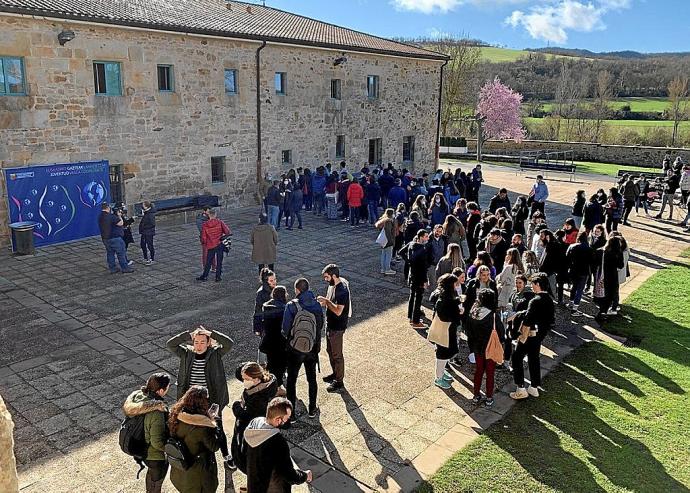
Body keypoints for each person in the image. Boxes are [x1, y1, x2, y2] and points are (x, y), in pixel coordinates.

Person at [166, 326, 234, 469]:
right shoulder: (186, 353)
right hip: (190, 398)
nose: (199, 345)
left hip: (210, 399)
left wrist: (212, 333)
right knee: (186, 424)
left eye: (202, 342)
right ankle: (185, 452)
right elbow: (170, 344)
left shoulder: (215, 353)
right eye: (196, 342)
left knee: (217, 426)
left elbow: (229, 343)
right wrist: (187, 335)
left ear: (208, 342)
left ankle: (226, 455)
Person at [243, 397, 311, 492]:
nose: (287, 422)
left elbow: (243, 456)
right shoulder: (277, 442)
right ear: (278, 419)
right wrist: (304, 476)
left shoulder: (253, 426)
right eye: (286, 419)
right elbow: (289, 475)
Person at [282, 278, 324, 419]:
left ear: (297, 290)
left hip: (295, 350)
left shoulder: (292, 306)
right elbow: (320, 325)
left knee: (292, 380)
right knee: (311, 378)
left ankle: (291, 414)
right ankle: (312, 409)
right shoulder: (317, 305)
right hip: (312, 348)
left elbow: (285, 328)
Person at [122, 373, 171, 493]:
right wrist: (171, 450)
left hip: (138, 445)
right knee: (156, 479)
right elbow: (157, 442)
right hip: (153, 455)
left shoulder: (138, 395)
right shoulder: (157, 412)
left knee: (151, 475)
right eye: (168, 387)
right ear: (160, 391)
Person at [168, 386, 223, 493]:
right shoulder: (202, 427)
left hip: (181, 471)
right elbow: (214, 446)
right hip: (199, 474)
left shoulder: (176, 415)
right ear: (201, 403)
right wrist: (215, 423)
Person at [509, 273, 554, 400]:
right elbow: (550, 321)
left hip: (529, 335)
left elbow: (527, 320)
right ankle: (534, 387)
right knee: (534, 359)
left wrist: (520, 335)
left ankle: (521, 388)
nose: (531, 287)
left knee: (517, 358)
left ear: (538, 284)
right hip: (539, 336)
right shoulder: (549, 300)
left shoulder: (535, 301)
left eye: (533, 284)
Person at [230, 362, 278, 474]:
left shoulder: (258, 400)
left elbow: (244, 416)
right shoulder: (267, 382)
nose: (244, 382)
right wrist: (247, 367)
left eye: (246, 379)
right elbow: (239, 372)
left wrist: (236, 406)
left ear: (256, 379)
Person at [467, 288, 505, 407]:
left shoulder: (473, 312)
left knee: (478, 371)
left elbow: (469, 332)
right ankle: (489, 397)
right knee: (490, 373)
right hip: (490, 348)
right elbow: (501, 333)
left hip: (477, 347)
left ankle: (476, 395)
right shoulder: (493, 316)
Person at [317, 264, 351, 393]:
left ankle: (339, 381)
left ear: (334, 276)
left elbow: (338, 311)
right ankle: (335, 374)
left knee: (337, 354)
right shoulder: (333, 286)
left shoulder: (342, 290)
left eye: (327, 277)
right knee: (330, 351)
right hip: (331, 324)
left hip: (337, 327)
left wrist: (326, 302)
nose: (325, 279)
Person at [430, 274, 463, 389]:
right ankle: (438, 377)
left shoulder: (447, 296)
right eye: (455, 283)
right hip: (445, 331)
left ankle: (442, 373)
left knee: (445, 353)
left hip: (448, 330)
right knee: (442, 354)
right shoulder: (444, 299)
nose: (457, 285)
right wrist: (458, 313)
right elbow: (445, 317)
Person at [503, 274, 534, 369]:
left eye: (520, 283)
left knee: (524, 341)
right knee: (508, 339)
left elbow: (531, 309)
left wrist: (521, 313)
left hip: (524, 323)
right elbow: (509, 305)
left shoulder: (529, 294)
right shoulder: (513, 294)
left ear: (525, 283)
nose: (518, 285)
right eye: (516, 283)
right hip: (513, 321)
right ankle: (506, 361)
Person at [261, 285, 288, 387]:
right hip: (281, 342)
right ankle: (278, 385)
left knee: (271, 363)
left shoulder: (265, 306)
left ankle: (271, 384)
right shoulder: (285, 308)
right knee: (281, 365)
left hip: (269, 340)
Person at [402, 229, 430, 329]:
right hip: (419, 277)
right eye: (426, 236)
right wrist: (425, 281)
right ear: (421, 237)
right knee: (418, 299)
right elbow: (423, 267)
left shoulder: (411, 244)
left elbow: (401, 252)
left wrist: (408, 261)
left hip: (412, 275)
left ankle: (411, 317)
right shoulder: (422, 249)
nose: (427, 238)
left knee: (412, 296)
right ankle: (416, 321)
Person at [592, 235, 625, 322]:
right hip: (612, 277)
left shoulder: (600, 251)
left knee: (602, 294)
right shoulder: (618, 253)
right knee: (610, 295)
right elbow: (621, 265)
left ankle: (601, 311)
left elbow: (594, 263)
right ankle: (603, 312)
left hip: (601, 275)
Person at [98, 202, 133, 273]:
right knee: (121, 253)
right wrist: (119, 216)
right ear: (108, 207)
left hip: (105, 238)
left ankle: (112, 268)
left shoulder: (100, 216)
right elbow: (121, 223)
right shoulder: (111, 216)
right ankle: (125, 268)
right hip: (115, 238)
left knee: (110, 253)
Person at [197, 209, 230, 282]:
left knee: (208, 261)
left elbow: (204, 238)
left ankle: (204, 276)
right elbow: (227, 231)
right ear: (215, 215)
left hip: (211, 245)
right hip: (219, 244)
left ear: (209, 215)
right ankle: (218, 277)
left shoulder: (205, 225)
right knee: (219, 262)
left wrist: (204, 243)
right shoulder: (220, 222)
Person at [566, 231, 592, 316]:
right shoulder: (589, 249)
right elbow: (592, 261)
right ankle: (574, 309)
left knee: (574, 287)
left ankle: (570, 303)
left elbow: (567, 258)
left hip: (573, 270)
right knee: (580, 290)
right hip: (584, 271)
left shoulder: (572, 246)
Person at [253, 268, 277, 336]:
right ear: (266, 281)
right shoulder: (261, 293)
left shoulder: (275, 289)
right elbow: (258, 311)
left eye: (275, 279)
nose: (274, 282)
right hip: (266, 324)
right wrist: (257, 328)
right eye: (271, 280)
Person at [426, 224, 448, 290]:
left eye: (440, 231)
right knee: (432, 281)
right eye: (437, 231)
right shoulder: (428, 239)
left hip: (441, 263)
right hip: (432, 263)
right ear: (433, 230)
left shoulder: (444, 238)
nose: (438, 233)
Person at [375, 208, 396, 275]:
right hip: (387, 240)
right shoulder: (388, 221)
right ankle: (387, 269)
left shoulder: (383, 220)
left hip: (383, 240)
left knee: (383, 254)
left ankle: (383, 269)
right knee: (388, 255)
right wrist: (391, 241)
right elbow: (388, 232)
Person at [138, 201, 156, 265]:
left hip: (148, 232)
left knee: (150, 245)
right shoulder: (146, 212)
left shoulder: (150, 214)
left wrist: (143, 227)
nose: (142, 206)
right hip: (144, 232)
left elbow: (152, 224)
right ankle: (145, 258)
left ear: (146, 206)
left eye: (143, 205)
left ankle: (152, 259)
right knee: (142, 244)